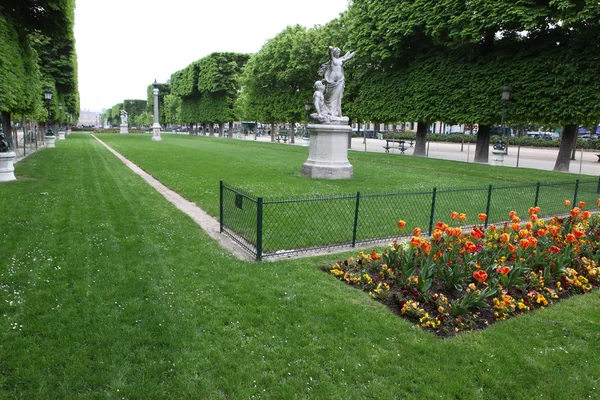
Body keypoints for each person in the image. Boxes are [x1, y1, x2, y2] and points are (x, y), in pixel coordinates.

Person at [318, 46, 355, 118]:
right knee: (329, 97)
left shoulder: (341, 59)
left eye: (339, 52)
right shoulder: (332, 59)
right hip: (332, 81)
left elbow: (347, 58)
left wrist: (353, 53)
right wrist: (330, 49)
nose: (338, 53)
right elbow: (330, 54)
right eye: (337, 52)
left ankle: (337, 113)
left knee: (338, 98)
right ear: (334, 53)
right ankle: (329, 112)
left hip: (340, 81)